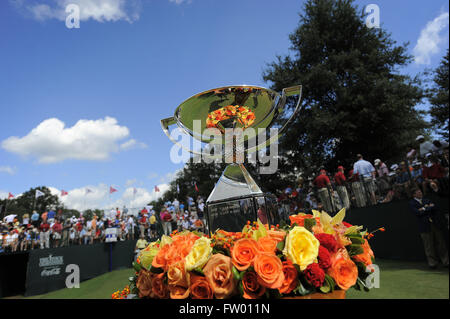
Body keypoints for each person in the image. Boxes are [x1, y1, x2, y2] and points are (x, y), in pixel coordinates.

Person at [409, 188, 449, 269]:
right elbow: (417, 212)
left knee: (440, 243)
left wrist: (424, 208)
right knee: (428, 245)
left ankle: (446, 261)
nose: (420, 193)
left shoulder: (427, 200)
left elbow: (434, 208)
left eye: (420, 192)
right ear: (414, 195)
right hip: (424, 226)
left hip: (434, 224)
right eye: (418, 192)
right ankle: (432, 263)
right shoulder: (412, 203)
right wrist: (426, 208)